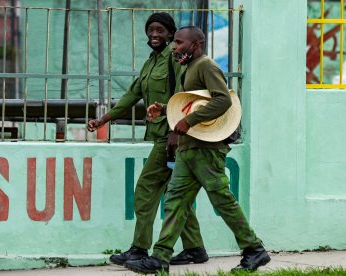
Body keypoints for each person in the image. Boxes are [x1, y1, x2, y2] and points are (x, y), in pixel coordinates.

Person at [124, 26, 271, 274]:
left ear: (196, 44)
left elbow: (222, 99)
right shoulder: (188, 67)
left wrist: (189, 121)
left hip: (207, 150)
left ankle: (254, 249)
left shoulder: (206, 65)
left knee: (222, 199)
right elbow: (191, 102)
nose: (174, 47)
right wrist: (164, 108)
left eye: (179, 43)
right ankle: (160, 259)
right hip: (188, 147)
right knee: (175, 201)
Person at [87, 14, 208, 266]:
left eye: (160, 31)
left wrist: (176, 131)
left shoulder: (175, 59)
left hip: (171, 136)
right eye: (150, 30)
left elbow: (182, 96)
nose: (154, 34)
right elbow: (132, 95)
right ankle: (195, 248)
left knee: (145, 189)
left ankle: (140, 248)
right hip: (163, 137)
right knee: (175, 192)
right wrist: (103, 120)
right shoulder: (151, 62)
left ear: (171, 35)